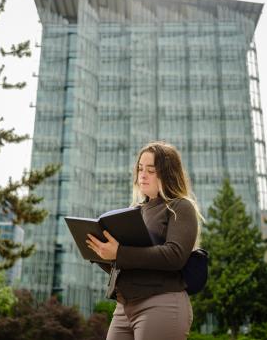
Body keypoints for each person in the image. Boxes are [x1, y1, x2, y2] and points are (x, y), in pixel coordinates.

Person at [86, 141, 204, 340]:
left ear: (168, 173)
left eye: (151, 170)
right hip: (124, 307)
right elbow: (131, 264)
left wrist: (120, 253)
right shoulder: (134, 212)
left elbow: (174, 256)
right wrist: (103, 254)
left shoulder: (180, 207)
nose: (143, 174)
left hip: (162, 302)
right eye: (140, 168)